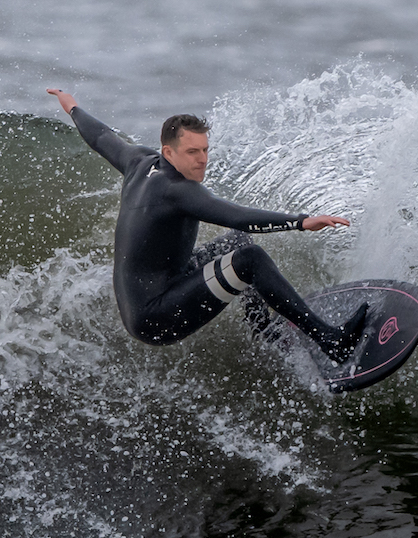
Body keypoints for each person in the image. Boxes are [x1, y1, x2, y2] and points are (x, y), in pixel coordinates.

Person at [47, 88, 368, 362]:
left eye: (204, 150)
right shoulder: (178, 191)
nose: (202, 159)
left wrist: (72, 107)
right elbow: (237, 216)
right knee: (250, 260)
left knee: (238, 243)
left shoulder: (139, 162)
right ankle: (331, 342)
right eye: (192, 152)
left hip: (154, 294)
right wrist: (301, 222)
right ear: (168, 151)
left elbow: (100, 136)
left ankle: (264, 333)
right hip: (156, 316)